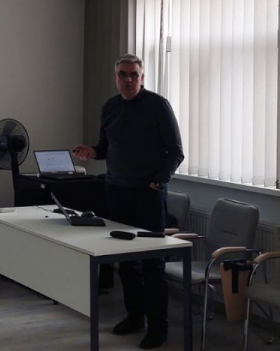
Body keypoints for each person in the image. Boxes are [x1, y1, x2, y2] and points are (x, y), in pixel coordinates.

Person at [74, 54, 184, 350]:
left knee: (152, 265)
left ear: (142, 77)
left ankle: (158, 329)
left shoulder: (157, 105)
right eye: (123, 74)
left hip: (148, 196)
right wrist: (91, 152)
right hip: (116, 192)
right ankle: (134, 318)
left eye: (134, 74)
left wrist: (158, 181)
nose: (128, 79)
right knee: (126, 263)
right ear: (115, 78)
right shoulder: (110, 107)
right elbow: (105, 148)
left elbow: (176, 151)